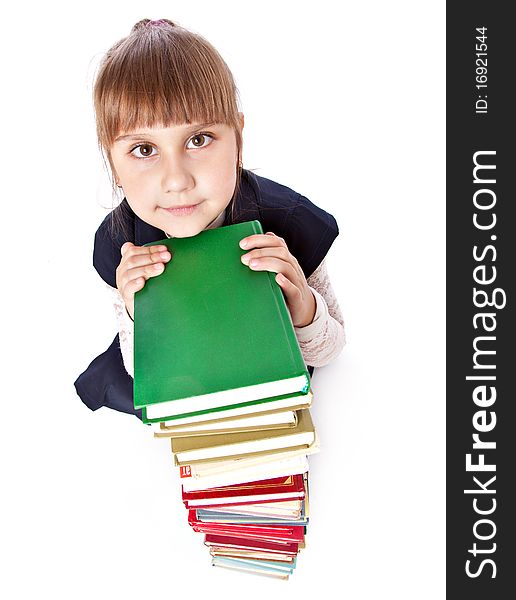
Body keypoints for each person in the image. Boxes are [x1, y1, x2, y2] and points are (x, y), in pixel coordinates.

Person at [75, 18, 345, 419]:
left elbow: (331, 348)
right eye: (144, 150)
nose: (177, 180)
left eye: (198, 140)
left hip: (264, 365)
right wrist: (136, 310)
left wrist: (302, 304)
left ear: (237, 136)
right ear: (112, 162)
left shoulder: (286, 219)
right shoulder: (122, 241)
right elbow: (140, 368)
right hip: (183, 375)